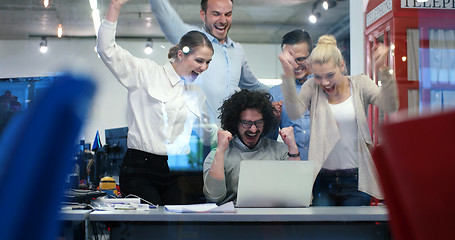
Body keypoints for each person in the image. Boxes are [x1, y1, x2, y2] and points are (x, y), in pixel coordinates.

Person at [97, 0, 217, 205]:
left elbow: (206, 137)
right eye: (199, 61)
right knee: (149, 226)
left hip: (180, 170)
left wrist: (218, 133)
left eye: (208, 62)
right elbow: (106, 49)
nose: (204, 67)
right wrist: (115, 6)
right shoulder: (146, 73)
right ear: (181, 54)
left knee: (182, 231)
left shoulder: (197, 94)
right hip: (141, 169)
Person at [280, 35, 399, 206]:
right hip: (322, 179)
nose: (325, 83)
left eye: (330, 75)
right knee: (323, 232)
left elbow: (390, 105)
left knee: (354, 231)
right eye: (318, 77)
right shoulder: (311, 87)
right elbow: (293, 112)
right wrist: (287, 75)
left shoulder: (360, 84)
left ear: (342, 65)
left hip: (356, 180)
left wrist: (384, 70)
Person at [149, 0, 269, 123]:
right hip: (198, 134)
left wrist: (283, 91)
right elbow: (167, 19)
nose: (223, 20)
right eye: (216, 14)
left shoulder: (237, 50)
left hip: (229, 135)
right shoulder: (192, 39)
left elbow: (253, 85)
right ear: (203, 15)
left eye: (227, 14)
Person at [203, 89, 300, 205]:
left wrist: (293, 147)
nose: (253, 129)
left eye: (259, 122)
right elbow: (214, 197)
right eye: (246, 123)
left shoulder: (280, 151)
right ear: (235, 122)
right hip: (232, 220)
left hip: (272, 220)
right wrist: (220, 151)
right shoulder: (217, 154)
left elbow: (299, 196)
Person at [266, 29, 313, 160]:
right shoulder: (275, 94)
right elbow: (269, 141)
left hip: (327, 169)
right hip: (292, 165)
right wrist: (273, 121)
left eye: (300, 59)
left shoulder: (325, 87)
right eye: (289, 60)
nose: (295, 65)